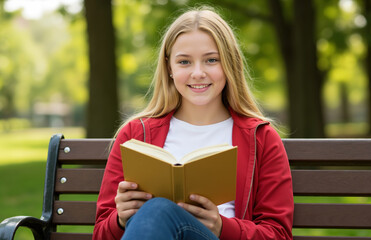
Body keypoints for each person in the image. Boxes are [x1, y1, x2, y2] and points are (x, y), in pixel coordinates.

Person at [93, 7, 293, 240]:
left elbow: (278, 234)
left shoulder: (261, 138)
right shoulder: (136, 135)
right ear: (170, 68)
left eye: (211, 60)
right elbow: (100, 234)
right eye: (185, 62)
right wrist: (120, 219)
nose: (198, 73)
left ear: (229, 64)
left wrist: (221, 227)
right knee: (155, 212)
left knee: (158, 209)